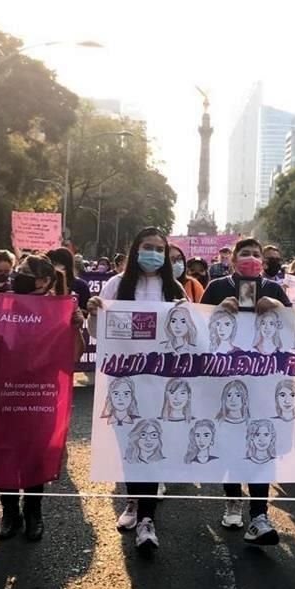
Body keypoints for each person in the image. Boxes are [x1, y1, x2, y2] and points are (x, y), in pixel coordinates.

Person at [87, 227, 186, 552]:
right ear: (135, 249)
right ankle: (133, 500)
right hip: (124, 384)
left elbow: (187, 335)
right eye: (147, 247)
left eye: (159, 248)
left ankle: (147, 519)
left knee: (154, 444)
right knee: (129, 446)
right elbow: (99, 333)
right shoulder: (117, 285)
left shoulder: (173, 289)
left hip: (160, 383)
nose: (154, 254)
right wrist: (94, 313)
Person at [0, 253, 84, 543]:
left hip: (41, 395)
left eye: (28, 272)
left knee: (36, 454)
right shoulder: (4, 302)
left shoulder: (62, 309)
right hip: (5, 391)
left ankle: (34, 511)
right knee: (4, 453)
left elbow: (73, 357)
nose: (20, 276)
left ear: (46, 280)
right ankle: (10, 512)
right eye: (20, 271)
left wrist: (75, 326)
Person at [200, 237, 290, 545]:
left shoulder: (275, 290)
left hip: (263, 382)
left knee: (260, 445)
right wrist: (217, 312)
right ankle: (232, 499)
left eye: (256, 254)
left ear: (263, 261)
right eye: (245, 254)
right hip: (224, 382)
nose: (250, 258)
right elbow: (197, 333)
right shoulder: (216, 288)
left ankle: (260, 515)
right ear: (233, 259)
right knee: (229, 441)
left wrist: (277, 308)